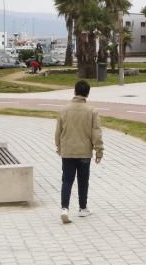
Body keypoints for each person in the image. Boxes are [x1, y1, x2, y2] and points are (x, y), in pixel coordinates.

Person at [55, 80, 103, 224]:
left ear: (75, 91)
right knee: (83, 180)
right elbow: (96, 133)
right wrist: (99, 150)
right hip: (84, 152)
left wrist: (59, 147)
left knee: (67, 180)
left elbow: (58, 131)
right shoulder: (92, 111)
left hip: (68, 151)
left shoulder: (64, 110)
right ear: (87, 93)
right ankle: (82, 208)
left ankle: (64, 208)